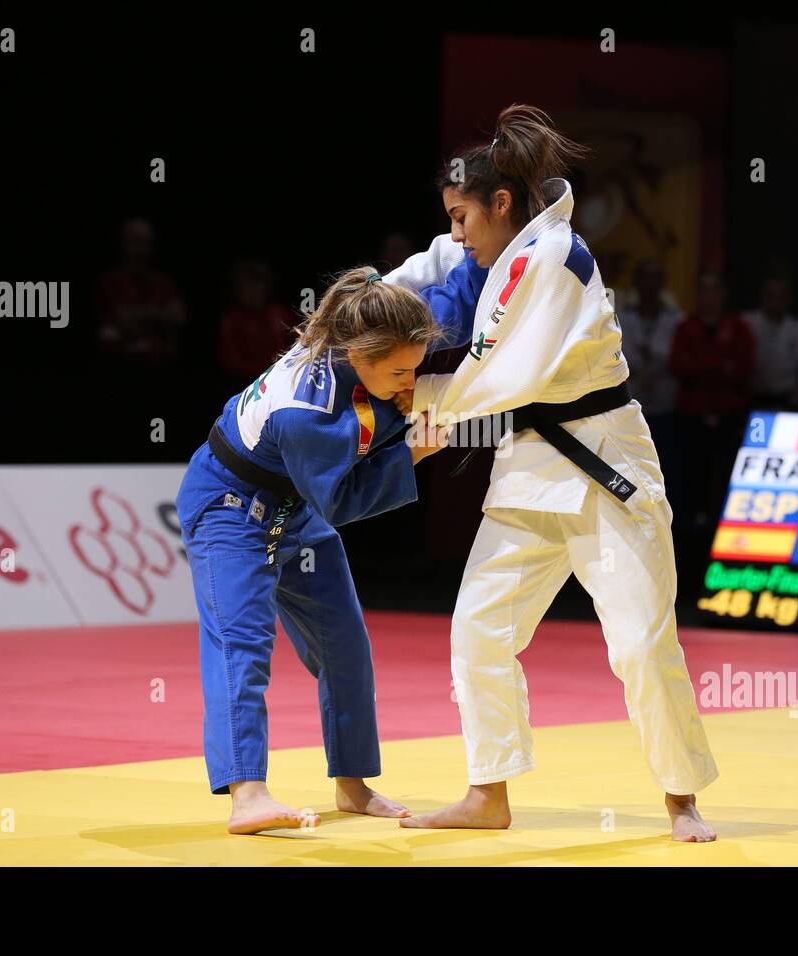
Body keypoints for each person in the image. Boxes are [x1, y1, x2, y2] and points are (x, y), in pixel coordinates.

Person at [388, 104, 719, 842]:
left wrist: (416, 406)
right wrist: (360, 317)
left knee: (639, 640)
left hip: (606, 465)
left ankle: (681, 797)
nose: (455, 233)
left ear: (501, 205)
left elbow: (504, 375)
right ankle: (487, 792)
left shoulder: (554, 259)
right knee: (478, 628)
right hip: (531, 468)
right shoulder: (499, 256)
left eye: (462, 217)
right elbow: (424, 272)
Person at [174, 262, 482, 834]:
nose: (409, 383)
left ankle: (353, 784)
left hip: (292, 505)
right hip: (230, 506)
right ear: (357, 353)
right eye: (398, 373)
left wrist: (481, 254)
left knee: (344, 642)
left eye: (414, 369)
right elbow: (341, 501)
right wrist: (414, 452)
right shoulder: (305, 411)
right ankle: (248, 794)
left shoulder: (382, 321)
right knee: (241, 643)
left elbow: (457, 303)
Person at [670, 268, 755, 530]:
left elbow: (744, 368)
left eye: (714, 289)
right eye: (704, 290)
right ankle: (692, 533)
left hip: (729, 415)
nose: (709, 297)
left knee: (727, 478)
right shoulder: (686, 328)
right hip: (692, 416)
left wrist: (703, 368)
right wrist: (719, 366)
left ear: (724, 293)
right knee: (693, 478)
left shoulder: (739, 327)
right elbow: (678, 366)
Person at [617, 259, 683, 491]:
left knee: (667, 469)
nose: (649, 283)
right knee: (633, 471)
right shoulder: (620, 317)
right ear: (636, 282)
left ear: (662, 283)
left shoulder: (676, 320)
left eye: (655, 277)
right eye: (644, 277)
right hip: (632, 405)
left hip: (666, 406)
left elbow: (678, 359)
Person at [96, 217, 188, 363]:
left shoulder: (164, 284)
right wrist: (161, 319)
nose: (141, 249)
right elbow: (124, 321)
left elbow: (179, 317)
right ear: (122, 244)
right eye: (135, 241)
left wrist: (138, 316)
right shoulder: (109, 283)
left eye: (147, 243)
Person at [743, 272, 798, 410]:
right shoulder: (746, 323)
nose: (775, 301)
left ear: (789, 299)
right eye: (771, 296)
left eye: (781, 296)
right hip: (754, 399)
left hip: (788, 401)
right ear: (762, 296)